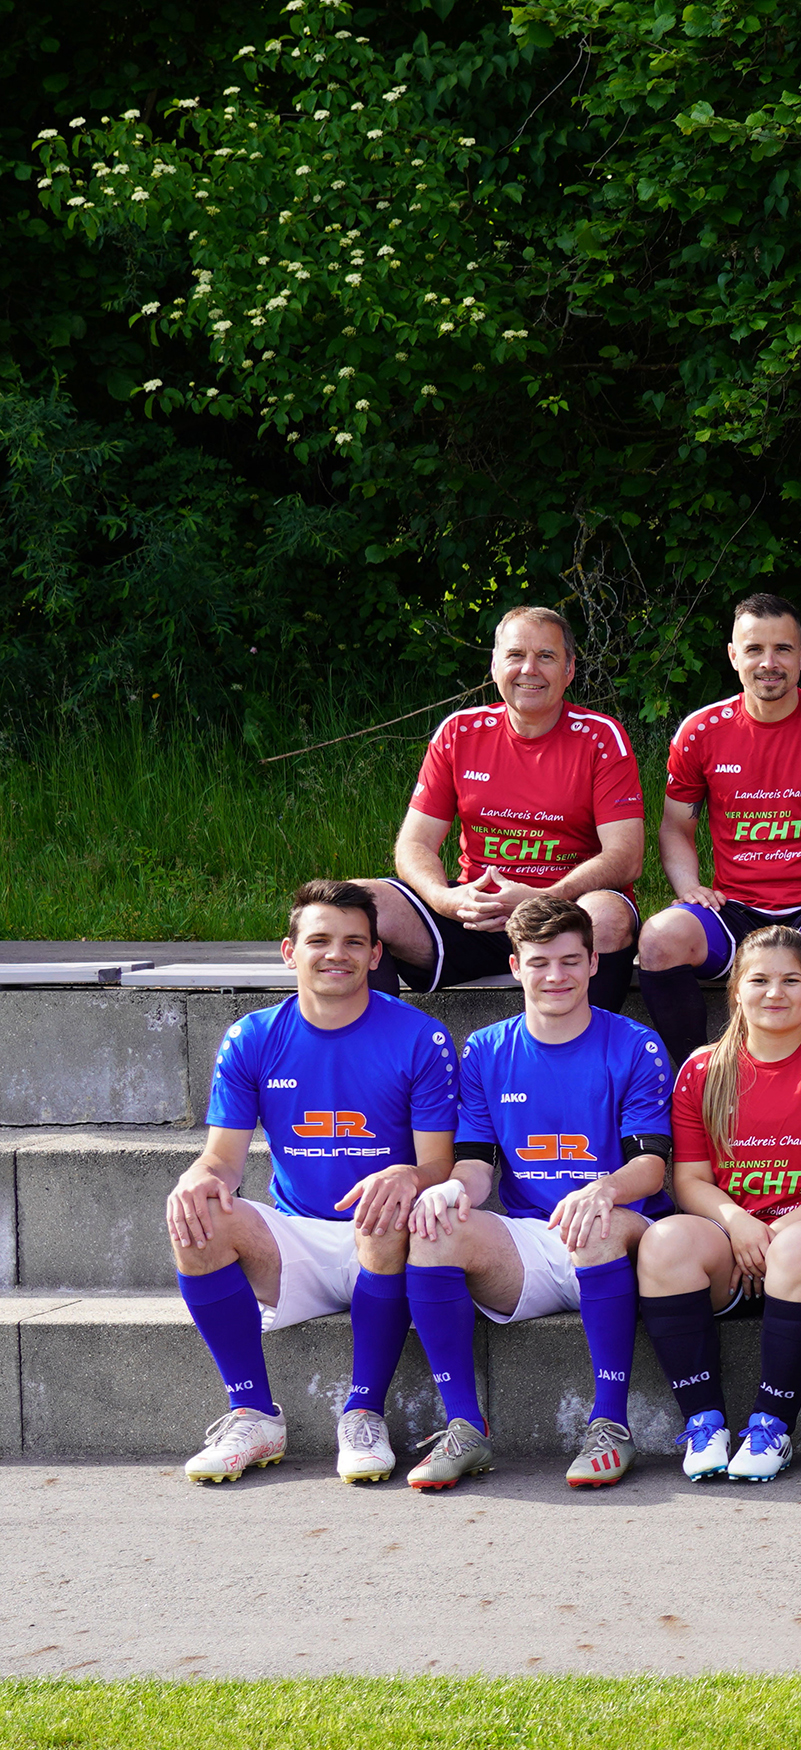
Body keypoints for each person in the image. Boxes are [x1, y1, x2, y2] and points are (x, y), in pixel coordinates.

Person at [166, 881, 460, 1488]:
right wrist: (194, 1179)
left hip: (385, 1239)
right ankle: (252, 1412)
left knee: (386, 1211)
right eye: (320, 940)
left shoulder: (418, 1037)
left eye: (355, 942)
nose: (337, 954)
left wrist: (407, 1173)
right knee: (199, 1218)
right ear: (289, 951)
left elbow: (439, 1167)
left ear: (376, 955)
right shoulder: (252, 1037)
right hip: (294, 1238)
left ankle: (362, 1413)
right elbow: (221, 1159)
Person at [406, 898, 674, 1492]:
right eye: (540, 962)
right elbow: (477, 1165)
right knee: (435, 1228)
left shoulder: (635, 1044)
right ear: (515, 966)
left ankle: (610, 1424)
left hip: (622, 1227)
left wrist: (602, 1189)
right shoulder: (484, 1050)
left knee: (598, 1222)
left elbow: (652, 1168)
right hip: (531, 1234)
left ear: (595, 962)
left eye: (570, 961)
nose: (556, 976)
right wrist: (451, 1189)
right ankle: (465, 1427)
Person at [640, 926, 801, 1485]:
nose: (776, 992)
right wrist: (739, 1222)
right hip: (732, 1239)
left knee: (797, 1249)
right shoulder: (702, 1069)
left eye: (791, 979)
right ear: (735, 992)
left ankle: (772, 1425)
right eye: (760, 980)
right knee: (663, 1240)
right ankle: (704, 1422)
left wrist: (779, 1228)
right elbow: (690, 1180)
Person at [645, 591, 801, 1053]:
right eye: (754, 649)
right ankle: (695, 1076)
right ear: (734, 656)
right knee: (659, 940)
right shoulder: (700, 731)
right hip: (734, 909)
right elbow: (676, 827)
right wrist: (687, 886)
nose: (768, 662)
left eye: (782, 649)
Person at [372, 606, 643, 1013]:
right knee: (357, 906)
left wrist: (545, 897)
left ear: (569, 670)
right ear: (495, 665)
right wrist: (447, 900)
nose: (529, 669)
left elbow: (627, 857)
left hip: (565, 913)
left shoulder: (601, 738)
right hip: (478, 915)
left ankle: (588, 1060)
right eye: (516, 655)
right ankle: (377, 1062)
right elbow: (414, 844)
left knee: (606, 914)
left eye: (546, 657)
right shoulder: (459, 731)